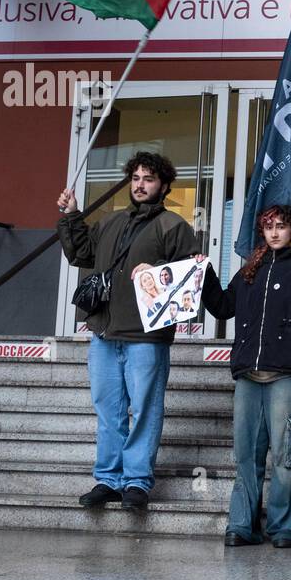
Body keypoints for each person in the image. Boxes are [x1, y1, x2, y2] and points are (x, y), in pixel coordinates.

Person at [57, 151, 200, 510]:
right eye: (135, 178)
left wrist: (157, 270)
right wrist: (72, 214)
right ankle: (108, 480)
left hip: (146, 336)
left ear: (164, 186)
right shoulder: (111, 221)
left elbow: (190, 277)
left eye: (148, 179)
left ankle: (137, 482)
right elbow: (82, 255)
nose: (139, 185)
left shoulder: (174, 226)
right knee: (109, 410)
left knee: (145, 409)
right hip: (104, 331)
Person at [201, 205, 291, 547]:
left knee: (288, 453)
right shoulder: (250, 270)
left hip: (287, 370)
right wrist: (205, 273)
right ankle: (242, 525)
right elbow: (223, 306)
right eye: (269, 226)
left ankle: (285, 526)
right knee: (246, 455)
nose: (274, 232)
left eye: (282, 226)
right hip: (248, 372)